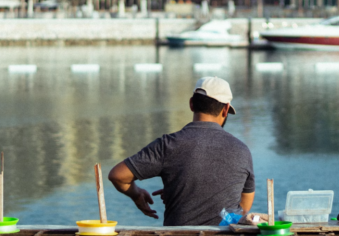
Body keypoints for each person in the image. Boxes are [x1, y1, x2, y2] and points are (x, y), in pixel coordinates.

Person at [108, 77, 255, 226]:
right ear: (225, 109)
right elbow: (243, 208)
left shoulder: (168, 144)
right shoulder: (242, 150)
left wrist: (137, 194)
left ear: (191, 104)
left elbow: (118, 176)